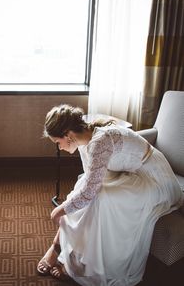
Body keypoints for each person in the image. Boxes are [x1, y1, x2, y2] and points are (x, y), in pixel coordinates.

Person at [37, 104, 183, 286]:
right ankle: (58, 246)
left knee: (101, 201)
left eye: (58, 143)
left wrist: (58, 211)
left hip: (152, 178)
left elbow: (90, 193)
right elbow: (87, 186)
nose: (59, 148)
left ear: (68, 135)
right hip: (127, 173)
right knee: (81, 187)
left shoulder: (100, 142)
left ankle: (83, 262)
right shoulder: (84, 141)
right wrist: (65, 209)